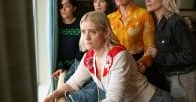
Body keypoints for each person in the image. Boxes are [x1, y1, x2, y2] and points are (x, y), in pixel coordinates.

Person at [44, 11, 174, 102]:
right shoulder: (89, 57)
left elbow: (114, 98)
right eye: (83, 32)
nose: (86, 37)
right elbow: (73, 83)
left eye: (93, 32)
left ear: (106, 33)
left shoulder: (119, 56)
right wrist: (51, 96)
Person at [107, 0, 164, 88]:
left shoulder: (144, 14)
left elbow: (150, 46)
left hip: (138, 63)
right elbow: (107, 45)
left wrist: (143, 62)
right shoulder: (109, 18)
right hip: (115, 64)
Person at [63, 0, 117, 102]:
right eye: (95, 1)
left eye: (102, 1)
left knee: (94, 84)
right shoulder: (87, 18)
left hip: (105, 58)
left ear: (108, 3)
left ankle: (80, 97)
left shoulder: (112, 20)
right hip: (86, 57)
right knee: (68, 78)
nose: (98, 4)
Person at [146, 0, 196, 102]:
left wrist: (158, 55)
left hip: (182, 76)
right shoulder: (152, 22)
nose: (147, 0)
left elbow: (192, 54)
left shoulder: (176, 22)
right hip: (165, 76)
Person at [52, 0, 84, 102]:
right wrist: (60, 66)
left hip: (80, 66)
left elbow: (84, 48)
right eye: (61, 6)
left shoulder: (82, 23)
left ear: (74, 8)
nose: (63, 9)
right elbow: (57, 49)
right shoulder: (56, 25)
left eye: (67, 6)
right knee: (61, 97)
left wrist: (76, 67)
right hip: (64, 67)